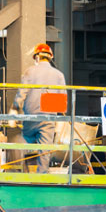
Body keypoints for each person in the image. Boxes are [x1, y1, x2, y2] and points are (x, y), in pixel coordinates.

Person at [11, 43, 66, 173]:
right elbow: (61, 101)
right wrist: (58, 120)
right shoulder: (58, 75)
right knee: (45, 150)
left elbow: (22, 93)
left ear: (37, 57)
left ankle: (20, 172)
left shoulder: (30, 71)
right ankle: (41, 176)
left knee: (22, 141)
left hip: (31, 116)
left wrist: (14, 108)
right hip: (48, 117)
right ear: (50, 57)